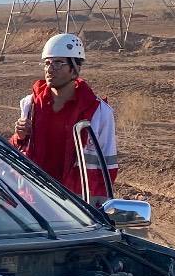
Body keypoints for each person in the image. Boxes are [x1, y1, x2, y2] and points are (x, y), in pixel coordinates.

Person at [10, 33, 118, 200]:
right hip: (34, 200)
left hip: (75, 207)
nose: (50, 69)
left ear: (75, 68)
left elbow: (108, 171)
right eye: (47, 63)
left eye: (59, 63)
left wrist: (91, 208)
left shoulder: (99, 113)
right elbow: (16, 151)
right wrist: (20, 137)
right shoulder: (30, 105)